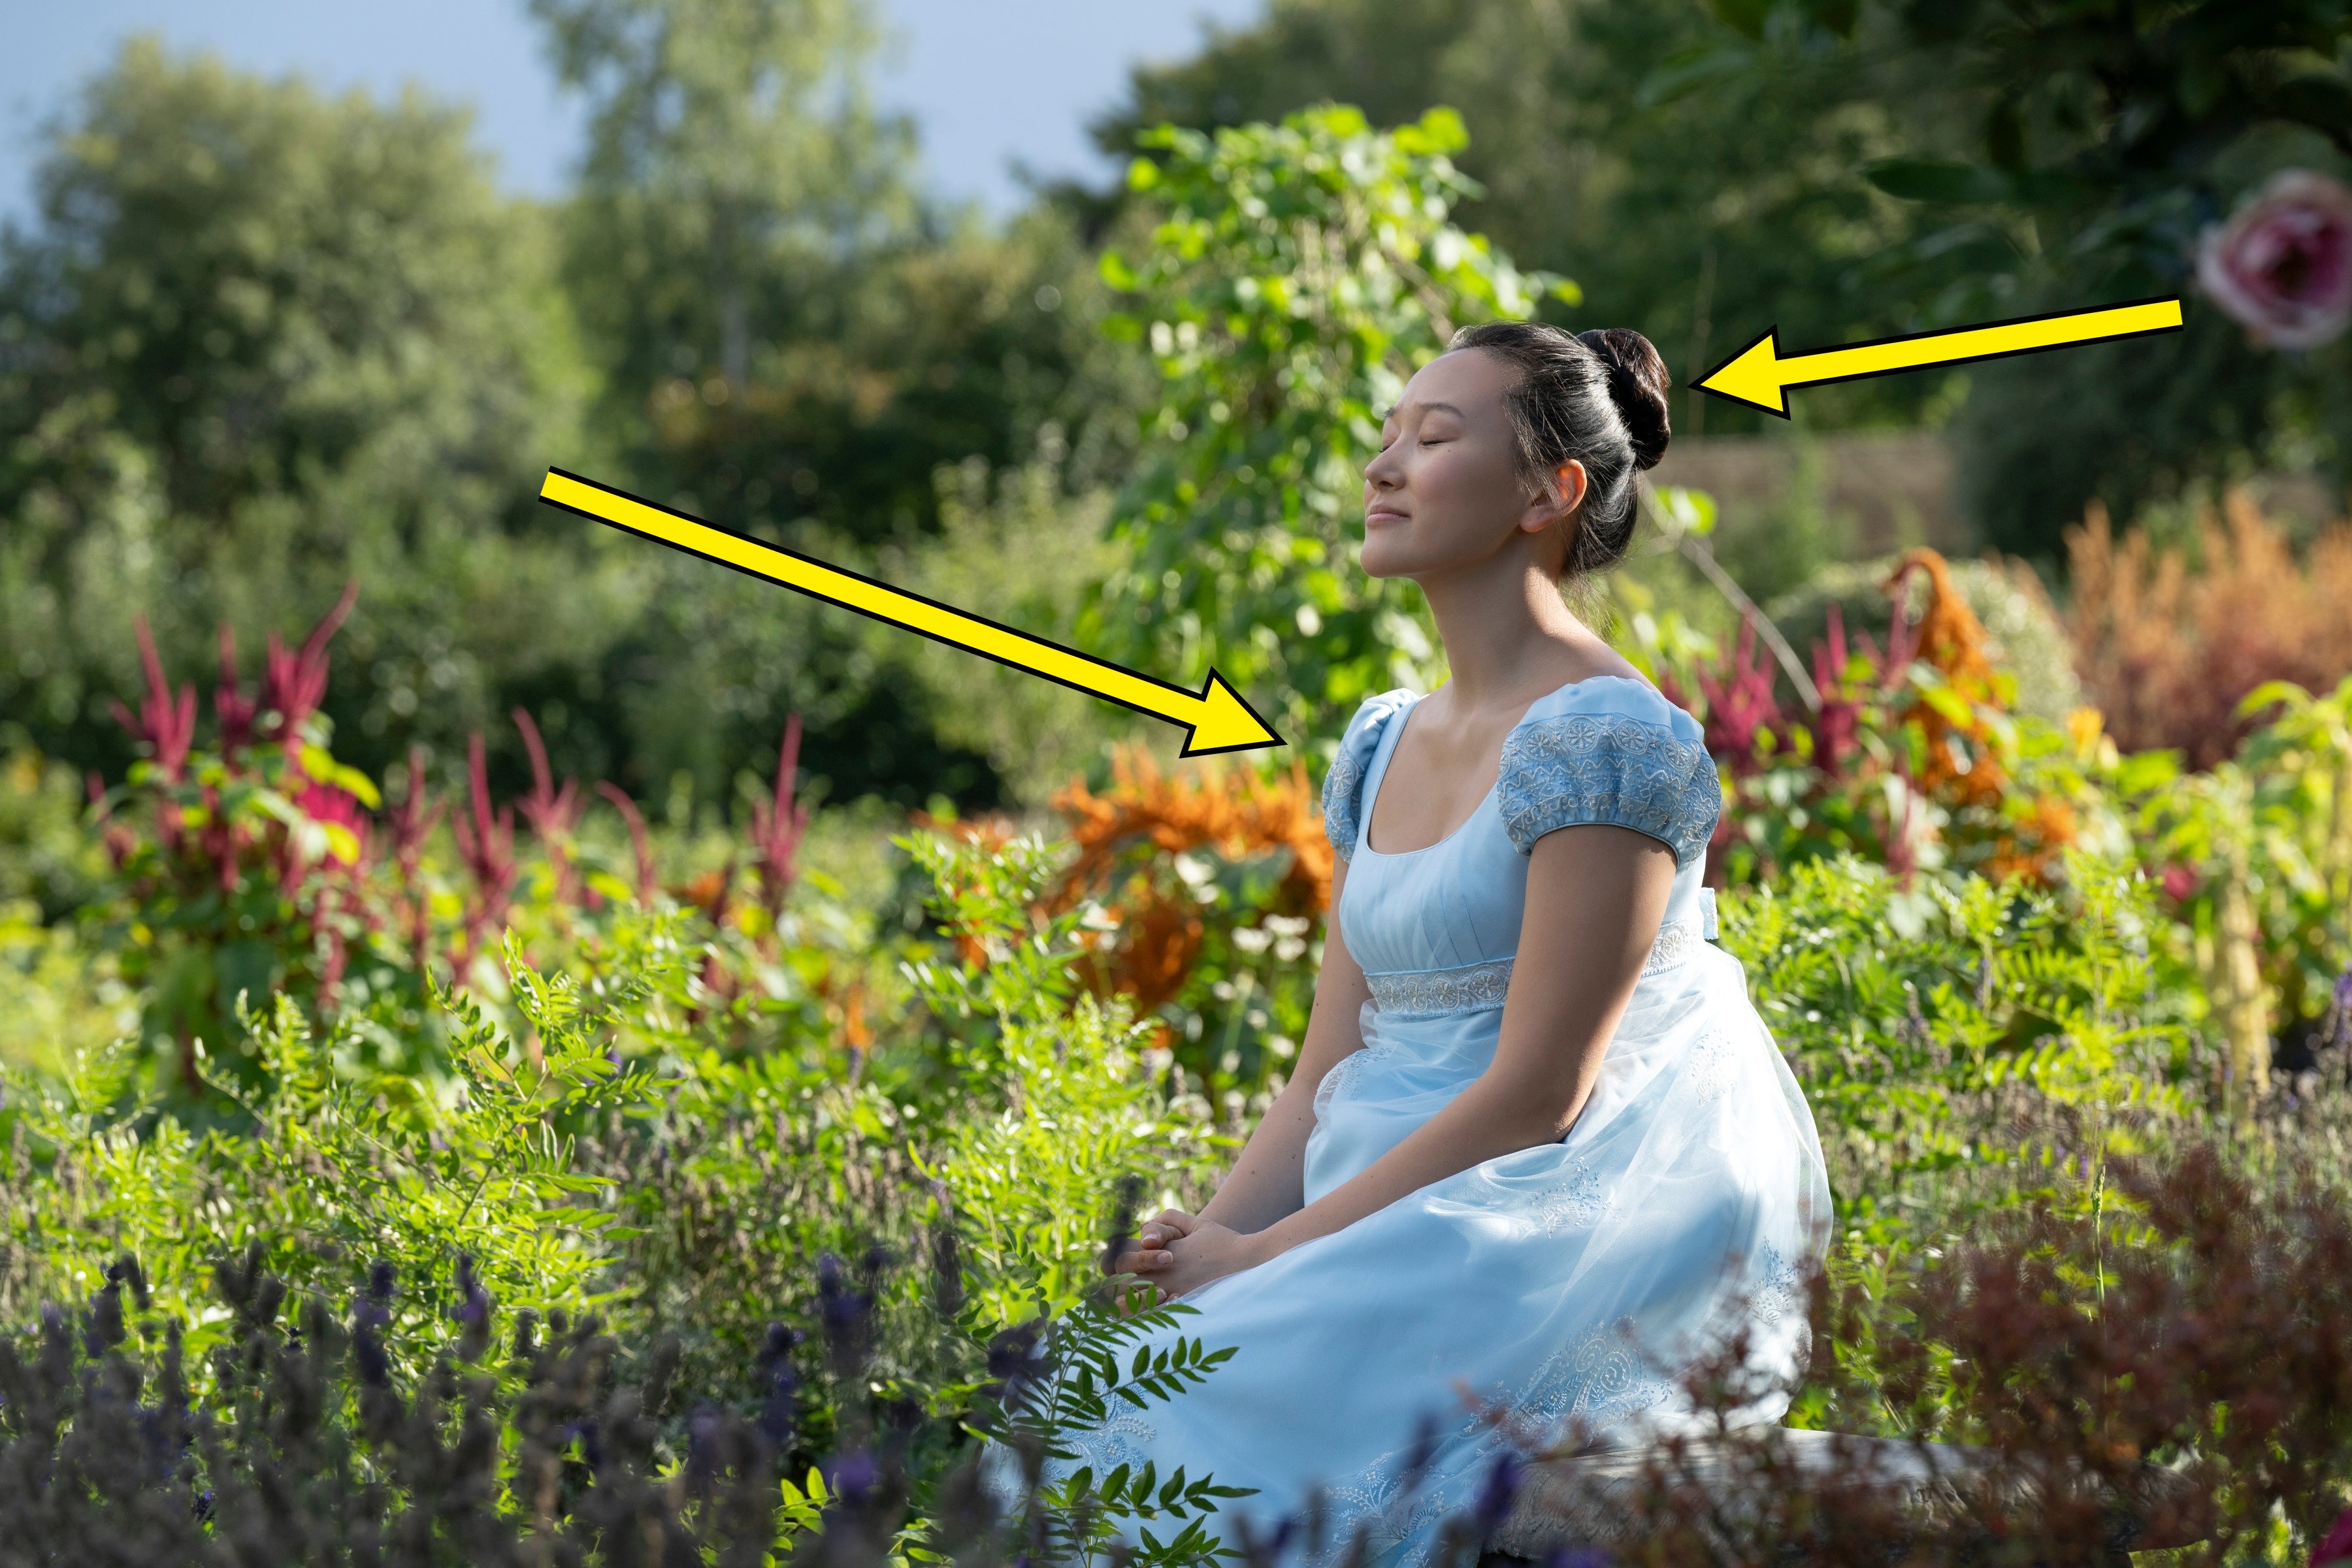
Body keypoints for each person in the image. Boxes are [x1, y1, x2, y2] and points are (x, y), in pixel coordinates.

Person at [1079, 321, 1831, 1563]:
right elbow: (1326, 1069)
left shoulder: (1605, 740)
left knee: (1217, 1430)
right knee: (1111, 1391)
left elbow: (1540, 1095)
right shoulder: (1382, 742)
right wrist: (1209, 1244)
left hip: (1552, 1221)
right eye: (1387, 436)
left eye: (1433, 439)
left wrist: (1264, 1259)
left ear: (1549, 492)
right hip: (1380, 1198)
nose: (1383, 467)